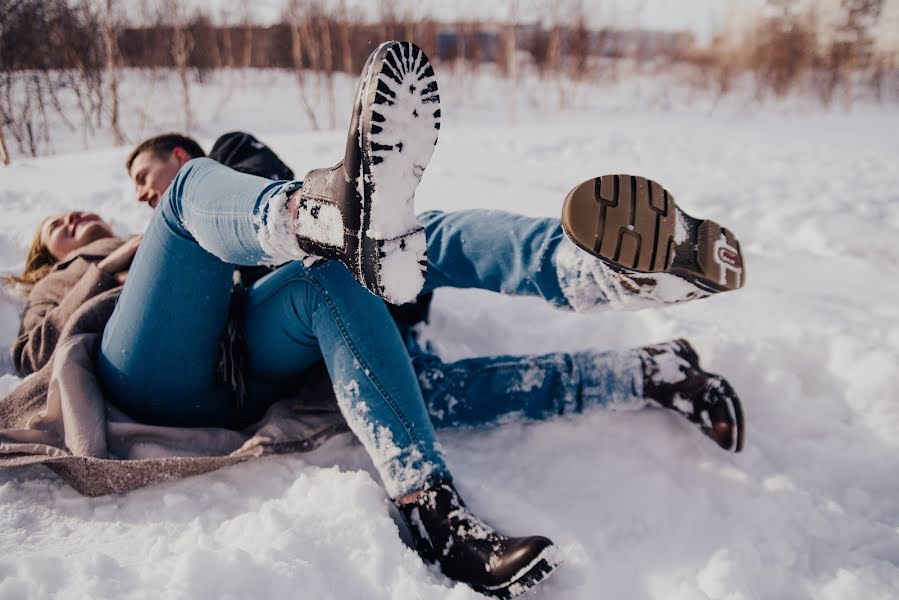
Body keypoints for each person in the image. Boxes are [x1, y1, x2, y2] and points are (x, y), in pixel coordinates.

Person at [7, 41, 745, 598]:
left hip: (261, 351)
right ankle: (321, 219)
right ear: (43, 258)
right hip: (151, 371)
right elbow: (39, 349)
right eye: (56, 229)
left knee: (399, 254)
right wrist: (114, 258)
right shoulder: (77, 273)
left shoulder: (221, 175)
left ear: (170, 150)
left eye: (142, 181)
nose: (83, 217)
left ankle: (591, 275)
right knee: (203, 198)